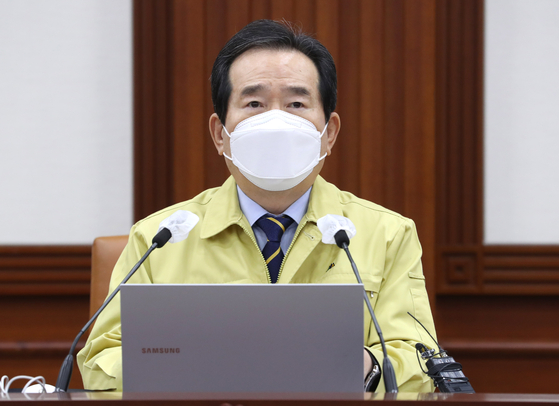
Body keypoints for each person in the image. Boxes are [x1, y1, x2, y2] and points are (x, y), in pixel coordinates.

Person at [77, 19, 437, 393]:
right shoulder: (159, 238)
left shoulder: (388, 234)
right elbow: (100, 363)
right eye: (254, 103)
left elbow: (420, 360)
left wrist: (364, 366)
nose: (275, 121)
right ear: (220, 134)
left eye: (297, 103)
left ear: (328, 133)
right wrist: (205, 366)